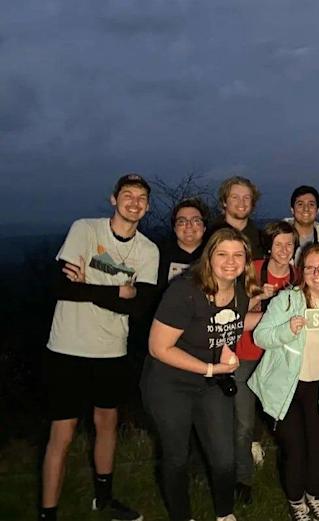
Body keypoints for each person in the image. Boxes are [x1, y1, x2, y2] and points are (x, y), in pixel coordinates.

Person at [40, 174, 159, 521]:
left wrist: (89, 285)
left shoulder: (147, 250)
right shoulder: (85, 230)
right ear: (113, 199)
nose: (134, 202)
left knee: (107, 423)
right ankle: (48, 512)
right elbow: (61, 288)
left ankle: (104, 499)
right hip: (66, 347)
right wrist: (117, 292)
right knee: (62, 431)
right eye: (127, 195)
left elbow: (139, 307)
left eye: (141, 198)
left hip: (111, 349)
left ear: (148, 207)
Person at [141, 227, 261, 521]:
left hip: (212, 384)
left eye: (238, 255)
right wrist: (211, 368)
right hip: (170, 384)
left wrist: (292, 318)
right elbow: (159, 347)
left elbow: (234, 323)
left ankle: (224, 514)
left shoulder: (240, 292)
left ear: (246, 260)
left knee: (224, 456)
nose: (230, 261)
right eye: (222, 254)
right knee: (176, 456)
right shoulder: (185, 290)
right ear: (209, 257)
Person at [249, 244, 319, 521]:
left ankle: (314, 497)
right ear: (302, 271)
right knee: (295, 449)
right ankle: (297, 502)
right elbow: (260, 336)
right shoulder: (288, 300)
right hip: (285, 387)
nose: (317, 273)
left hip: (318, 386)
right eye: (310, 267)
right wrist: (286, 329)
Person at [233, 221, 298, 505]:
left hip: (280, 359)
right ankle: (243, 479)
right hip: (247, 355)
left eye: (289, 244)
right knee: (244, 423)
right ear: (269, 246)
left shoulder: (299, 276)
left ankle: (289, 475)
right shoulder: (251, 269)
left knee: (283, 422)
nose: (284, 250)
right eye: (279, 244)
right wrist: (258, 298)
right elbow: (232, 314)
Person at [156, 198, 209, 292]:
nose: (189, 225)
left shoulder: (214, 256)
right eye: (182, 221)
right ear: (174, 228)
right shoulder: (158, 255)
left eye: (196, 221)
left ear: (204, 227)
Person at [209, 176, 265, 259]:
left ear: (253, 203)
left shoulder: (262, 240)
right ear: (224, 202)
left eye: (246, 197)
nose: (241, 202)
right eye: (235, 197)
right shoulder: (208, 237)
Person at [285, 185, 319, 263]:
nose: (306, 209)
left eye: (311, 204)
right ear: (292, 210)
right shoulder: (278, 236)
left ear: (317, 210)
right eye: (300, 204)